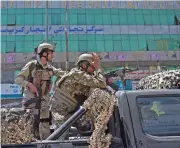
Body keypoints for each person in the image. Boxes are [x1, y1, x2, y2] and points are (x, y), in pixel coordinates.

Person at [15, 43, 66, 140]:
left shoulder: (50, 68)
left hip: (44, 100)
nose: (53, 55)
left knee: (45, 123)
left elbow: (63, 74)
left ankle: (45, 143)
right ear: (44, 54)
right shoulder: (32, 65)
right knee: (30, 124)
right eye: (51, 53)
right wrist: (30, 85)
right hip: (31, 100)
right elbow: (18, 79)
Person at [51, 53, 107, 132]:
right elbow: (101, 84)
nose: (94, 69)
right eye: (92, 67)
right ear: (84, 66)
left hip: (72, 111)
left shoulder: (83, 75)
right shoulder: (77, 75)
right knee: (62, 135)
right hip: (60, 112)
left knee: (86, 128)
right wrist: (98, 69)